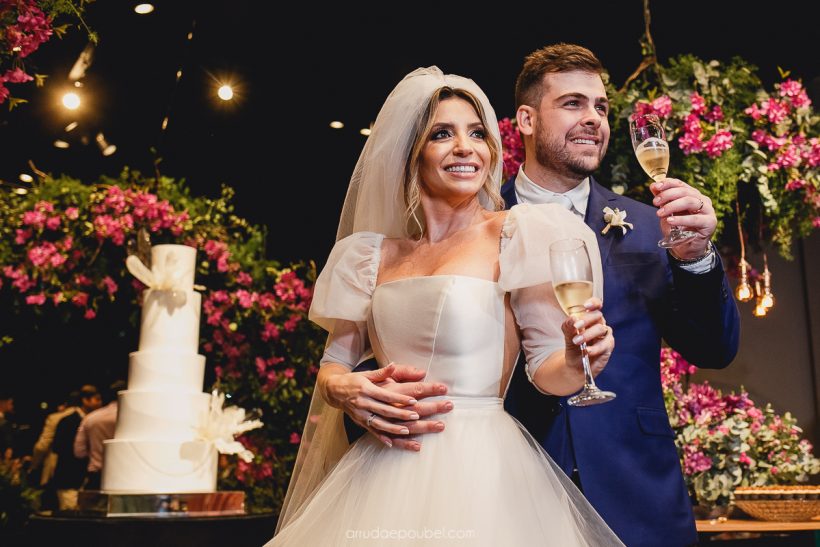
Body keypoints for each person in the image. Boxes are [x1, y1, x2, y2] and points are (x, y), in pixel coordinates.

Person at [268, 66, 623, 546]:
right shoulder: (368, 255)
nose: (465, 147)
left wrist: (581, 359)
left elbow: (546, 371)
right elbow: (334, 365)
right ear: (410, 154)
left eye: (477, 133)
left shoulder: (520, 234)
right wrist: (343, 390)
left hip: (484, 475)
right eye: (442, 134)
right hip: (381, 471)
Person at [497, 43, 741, 547]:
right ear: (525, 118)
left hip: (638, 495)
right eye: (572, 104)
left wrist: (695, 257)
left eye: (601, 107)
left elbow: (714, 349)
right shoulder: (479, 223)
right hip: (511, 489)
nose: (593, 119)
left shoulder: (653, 225)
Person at [51, 384, 102, 510]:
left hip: (88, 481)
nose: (100, 403)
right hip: (69, 479)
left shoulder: (94, 420)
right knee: (70, 513)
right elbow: (57, 447)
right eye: (97, 399)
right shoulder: (68, 421)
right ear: (85, 400)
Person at [73, 380, 123, 490]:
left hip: (97, 475)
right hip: (129, 475)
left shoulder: (91, 418)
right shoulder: (136, 419)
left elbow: (79, 452)